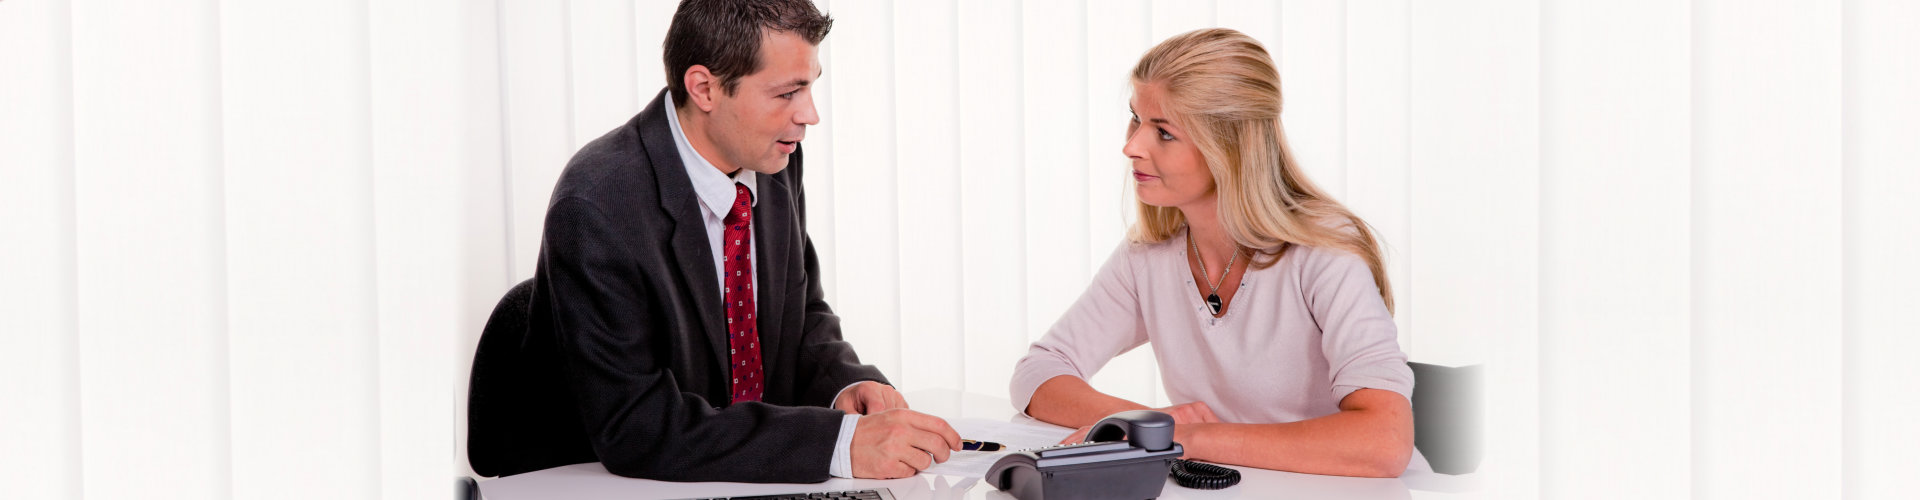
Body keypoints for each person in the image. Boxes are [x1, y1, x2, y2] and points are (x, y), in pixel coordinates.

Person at [467, 0, 959, 483]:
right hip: (609, 483)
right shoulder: (596, 204)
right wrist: (836, 443)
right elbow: (638, 427)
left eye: (810, 88)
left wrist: (848, 385)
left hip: (739, 475)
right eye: (788, 93)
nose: (809, 115)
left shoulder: (771, 160)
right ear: (704, 87)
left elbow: (799, 313)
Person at [1010, 28, 1419, 478]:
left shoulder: (1324, 255)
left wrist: (1193, 438)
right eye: (1135, 119)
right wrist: (1149, 425)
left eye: (1163, 132)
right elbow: (1038, 373)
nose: (1131, 147)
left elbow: (1384, 442)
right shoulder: (1148, 256)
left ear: (1231, 148)